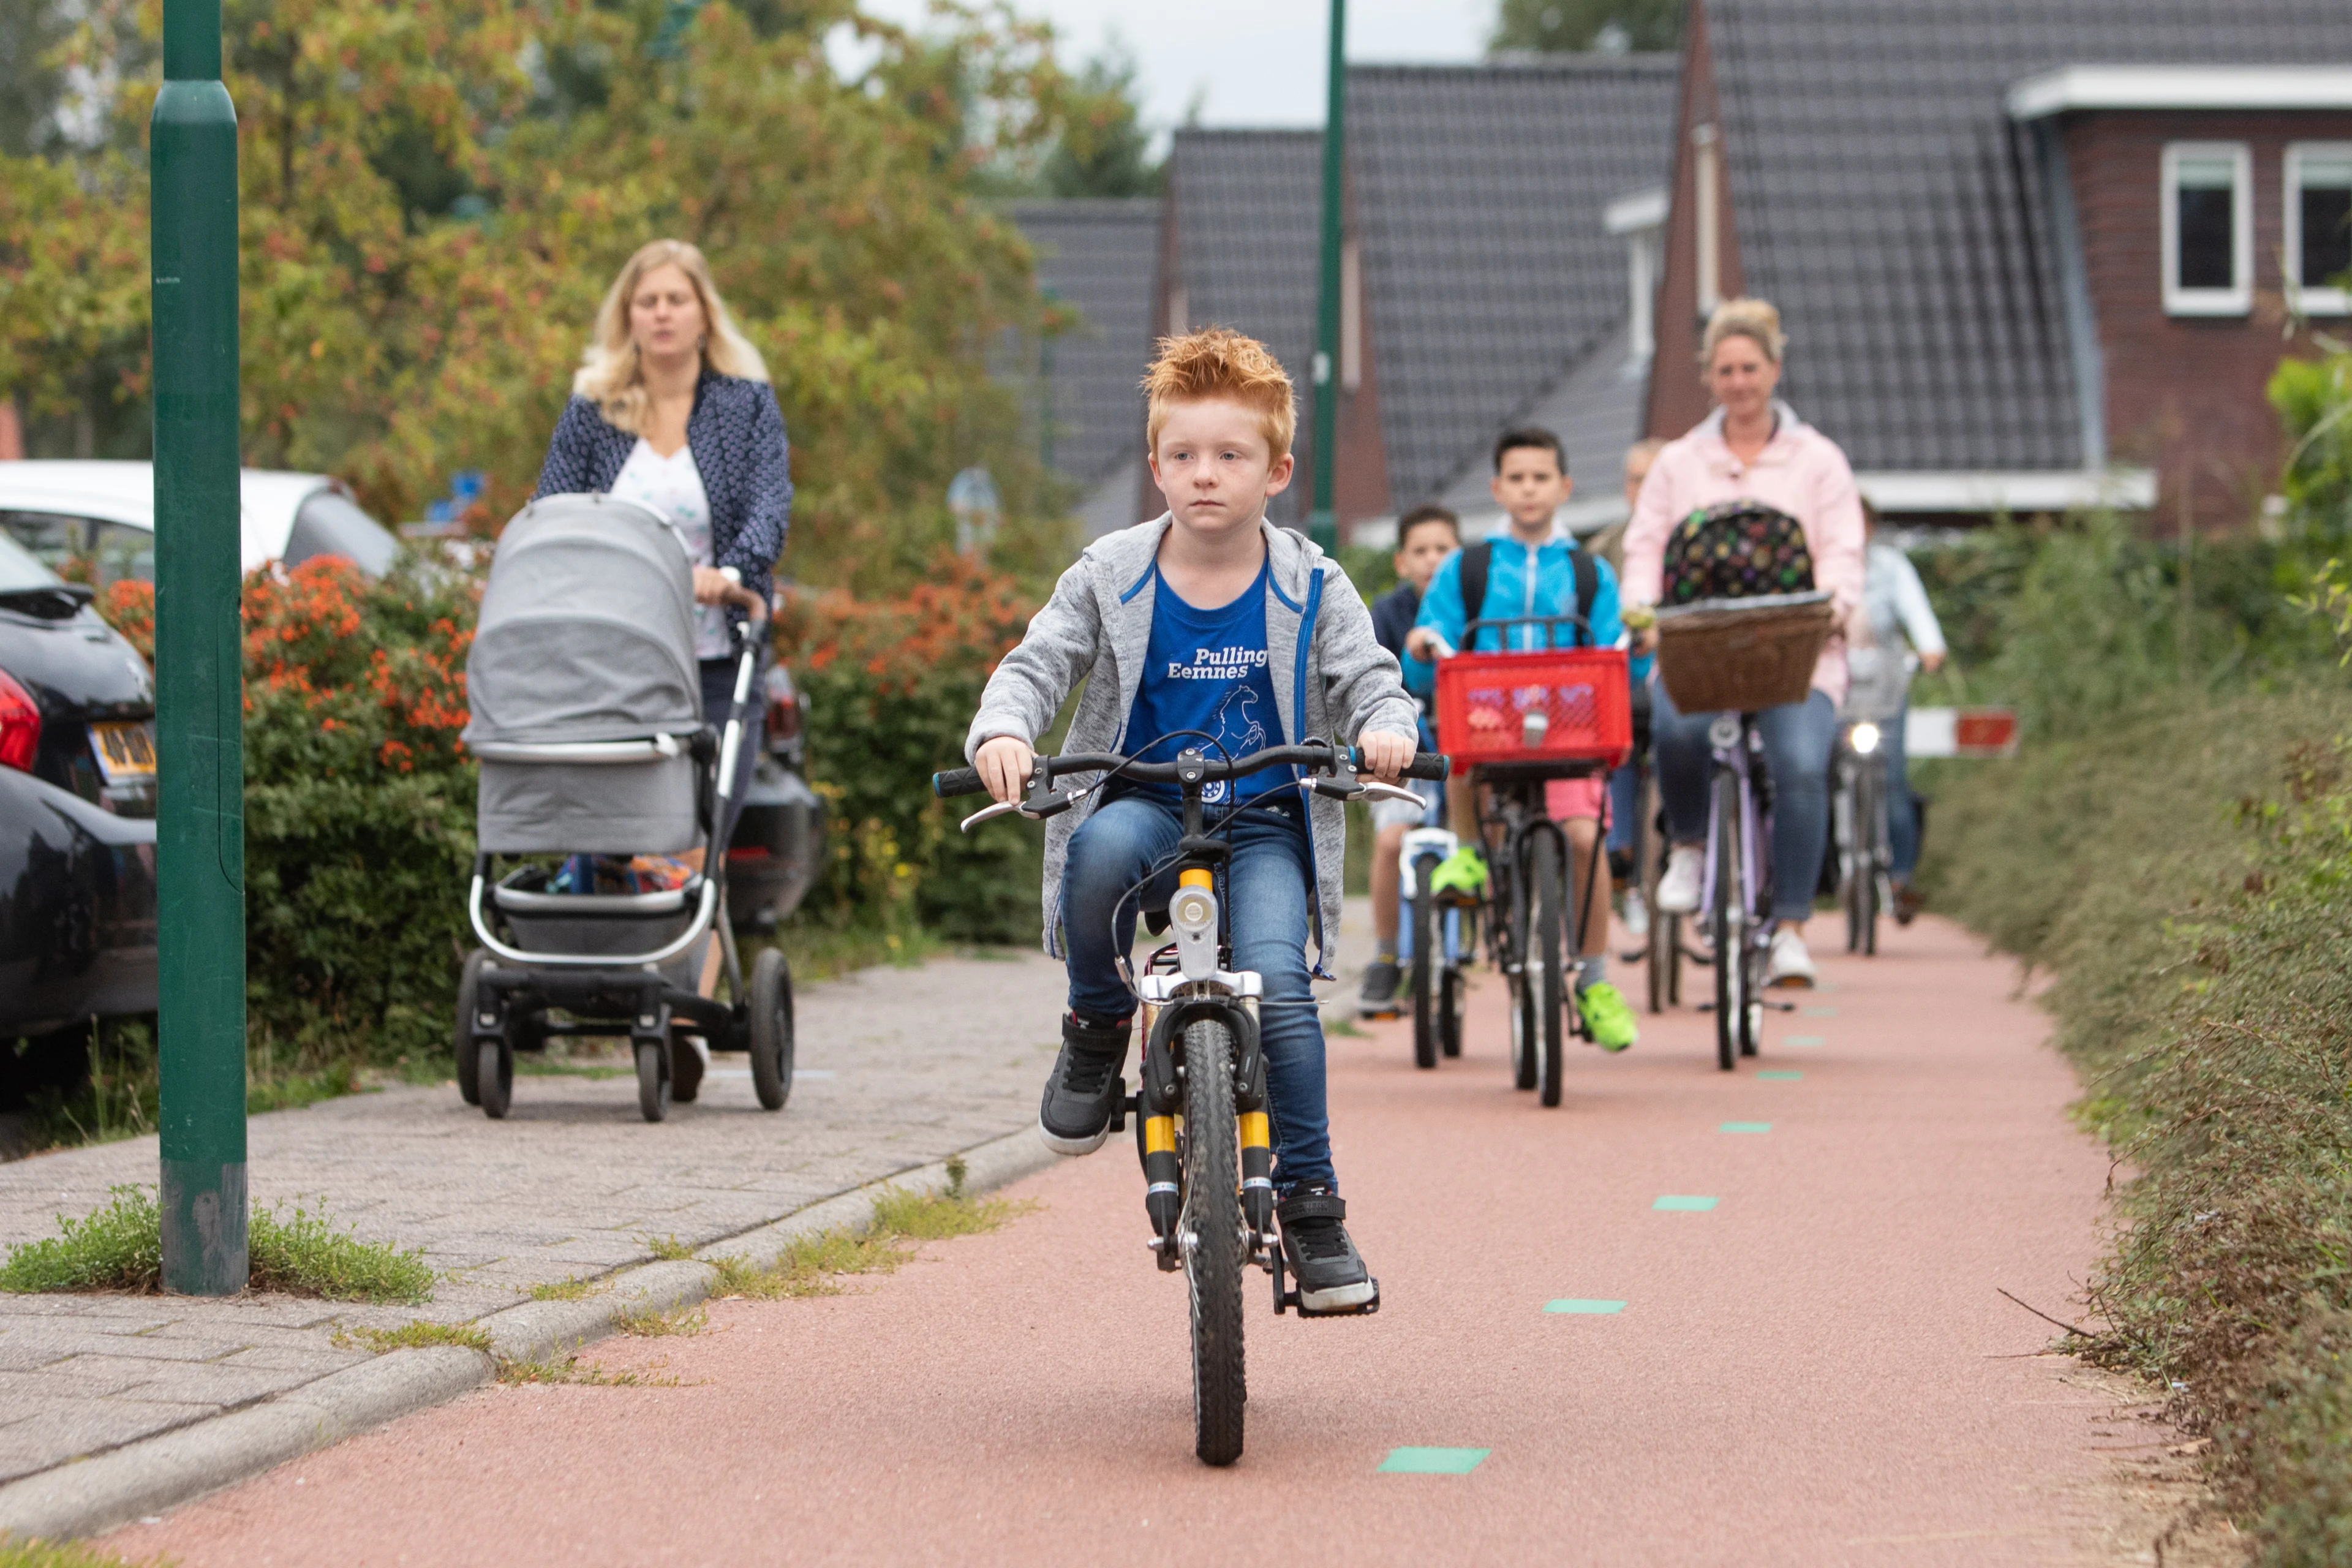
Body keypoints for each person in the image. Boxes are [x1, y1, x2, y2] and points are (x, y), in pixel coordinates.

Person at [965, 326, 1417, 1313]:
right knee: (1096, 859)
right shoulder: (1109, 571)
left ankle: (1311, 1206)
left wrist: (1385, 726)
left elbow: (1368, 676)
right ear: (1155, 466)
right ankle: (1096, 1023)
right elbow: (1037, 663)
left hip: (1261, 822)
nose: (1205, 476)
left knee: (1285, 992)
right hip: (1143, 799)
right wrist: (1003, 730)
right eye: (1183, 456)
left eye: (1231, 456)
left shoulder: (1311, 581)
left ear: (1278, 470)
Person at [1623, 298, 1865, 989]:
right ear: (1709, 376)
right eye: (1725, 369)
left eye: (1749, 367)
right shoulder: (1679, 461)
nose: (1738, 381)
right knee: (1674, 727)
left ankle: (1790, 927)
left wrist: (1837, 605)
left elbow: (1843, 550)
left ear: (1774, 369)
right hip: (1701, 648)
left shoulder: (1819, 462)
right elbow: (1647, 544)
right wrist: (1642, 606)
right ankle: (1692, 847)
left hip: (1797, 653)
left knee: (1800, 764)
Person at [534, 237, 788, 848]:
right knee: (619, 842)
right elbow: (553, 513)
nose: (663, 312)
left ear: (704, 314)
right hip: (612, 661)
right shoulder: (593, 410)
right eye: (647, 301)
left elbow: (769, 506)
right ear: (628, 317)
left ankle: (696, 936)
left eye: (677, 298)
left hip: (716, 659)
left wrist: (728, 574)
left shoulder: (745, 405)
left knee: (698, 848)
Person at [1401, 428, 1638, 1052]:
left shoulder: (1590, 572)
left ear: (1564, 486)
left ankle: (1592, 977)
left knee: (1586, 839)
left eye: (1541, 478)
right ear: (1498, 488)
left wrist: (1637, 646)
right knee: (1462, 746)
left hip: (1571, 729)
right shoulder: (1470, 567)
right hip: (1493, 724)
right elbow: (1432, 636)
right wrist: (1423, 641)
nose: (1529, 489)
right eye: (1517, 478)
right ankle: (1472, 851)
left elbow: (1618, 650)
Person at [1358, 503, 1461, 1016]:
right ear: (1402, 562)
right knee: (1391, 838)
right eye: (1421, 551)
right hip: (1405, 753)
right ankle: (1385, 953)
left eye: (1443, 549)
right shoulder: (1386, 614)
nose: (1432, 560)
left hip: (1462, 748)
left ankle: (1473, 937)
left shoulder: (1472, 607)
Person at [1849, 510, 1947, 921]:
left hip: (1884, 687)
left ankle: (1900, 877)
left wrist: (1930, 648)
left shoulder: (1890, 567)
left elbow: (1917, 612)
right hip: (1836, 689)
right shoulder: (1817, 563)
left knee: (1892, 779)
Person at [1604, 438, 1668, 937]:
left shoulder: (1693, 544)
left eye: (1655, 478)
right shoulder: (1605, 550)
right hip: (1620, 695)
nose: (1644, 490)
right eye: (1636, 479)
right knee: (1617, 767)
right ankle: (1622, 866)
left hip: (1676, 689)